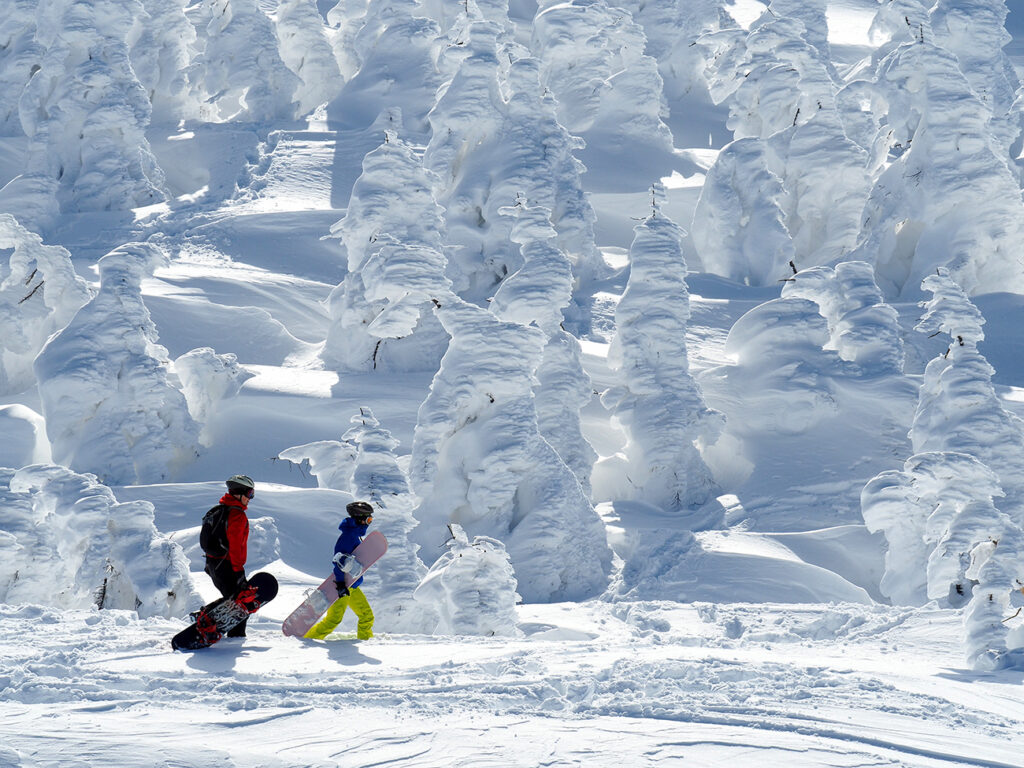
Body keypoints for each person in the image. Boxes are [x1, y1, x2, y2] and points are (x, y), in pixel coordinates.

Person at [305, 501, 375, 641]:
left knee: (367, 616)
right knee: (333, 620)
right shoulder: (348, 537)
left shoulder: (354, 536)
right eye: (368, 519)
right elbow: (338, 562)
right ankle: (308, 640)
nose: (369, 523)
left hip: (352, 587)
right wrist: (341, 584)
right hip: (341, 587)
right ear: (360, 519)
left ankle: (365, 642)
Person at [200, 474, 254, 638]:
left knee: (234, 602)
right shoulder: (236, 515)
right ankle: (233, 641)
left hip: (214, 565)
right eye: (250, 493)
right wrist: (238, 572)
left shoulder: (218, 511)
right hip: (228, 566)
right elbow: (236, 546)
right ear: (239, 493)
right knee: (241, 606)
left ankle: (208, 619)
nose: (250, 498)